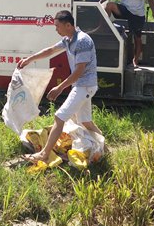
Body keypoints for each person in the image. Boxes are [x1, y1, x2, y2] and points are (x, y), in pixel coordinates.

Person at [17, 10, 102, 163]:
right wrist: (29, 59)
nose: (56, 29)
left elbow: (79, 71)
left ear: (68, 25)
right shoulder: (68, 39)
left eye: (57, 26)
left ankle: (43, 154)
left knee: (59, 116)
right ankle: (103, 146)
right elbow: (50, 50)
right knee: (86, 122)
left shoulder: (82, 41)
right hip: (83, 85)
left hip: (84, 86)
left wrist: (59, 87)